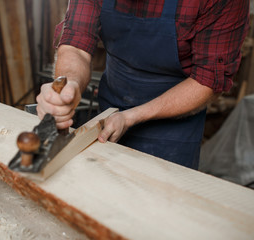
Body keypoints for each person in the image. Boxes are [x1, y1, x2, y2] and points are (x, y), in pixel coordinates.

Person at [36, 0, 250, 169]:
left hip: (174, 132)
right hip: (111, 106)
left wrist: (131, 117)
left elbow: (207, 81)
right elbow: (76, 44)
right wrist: (69, 84)